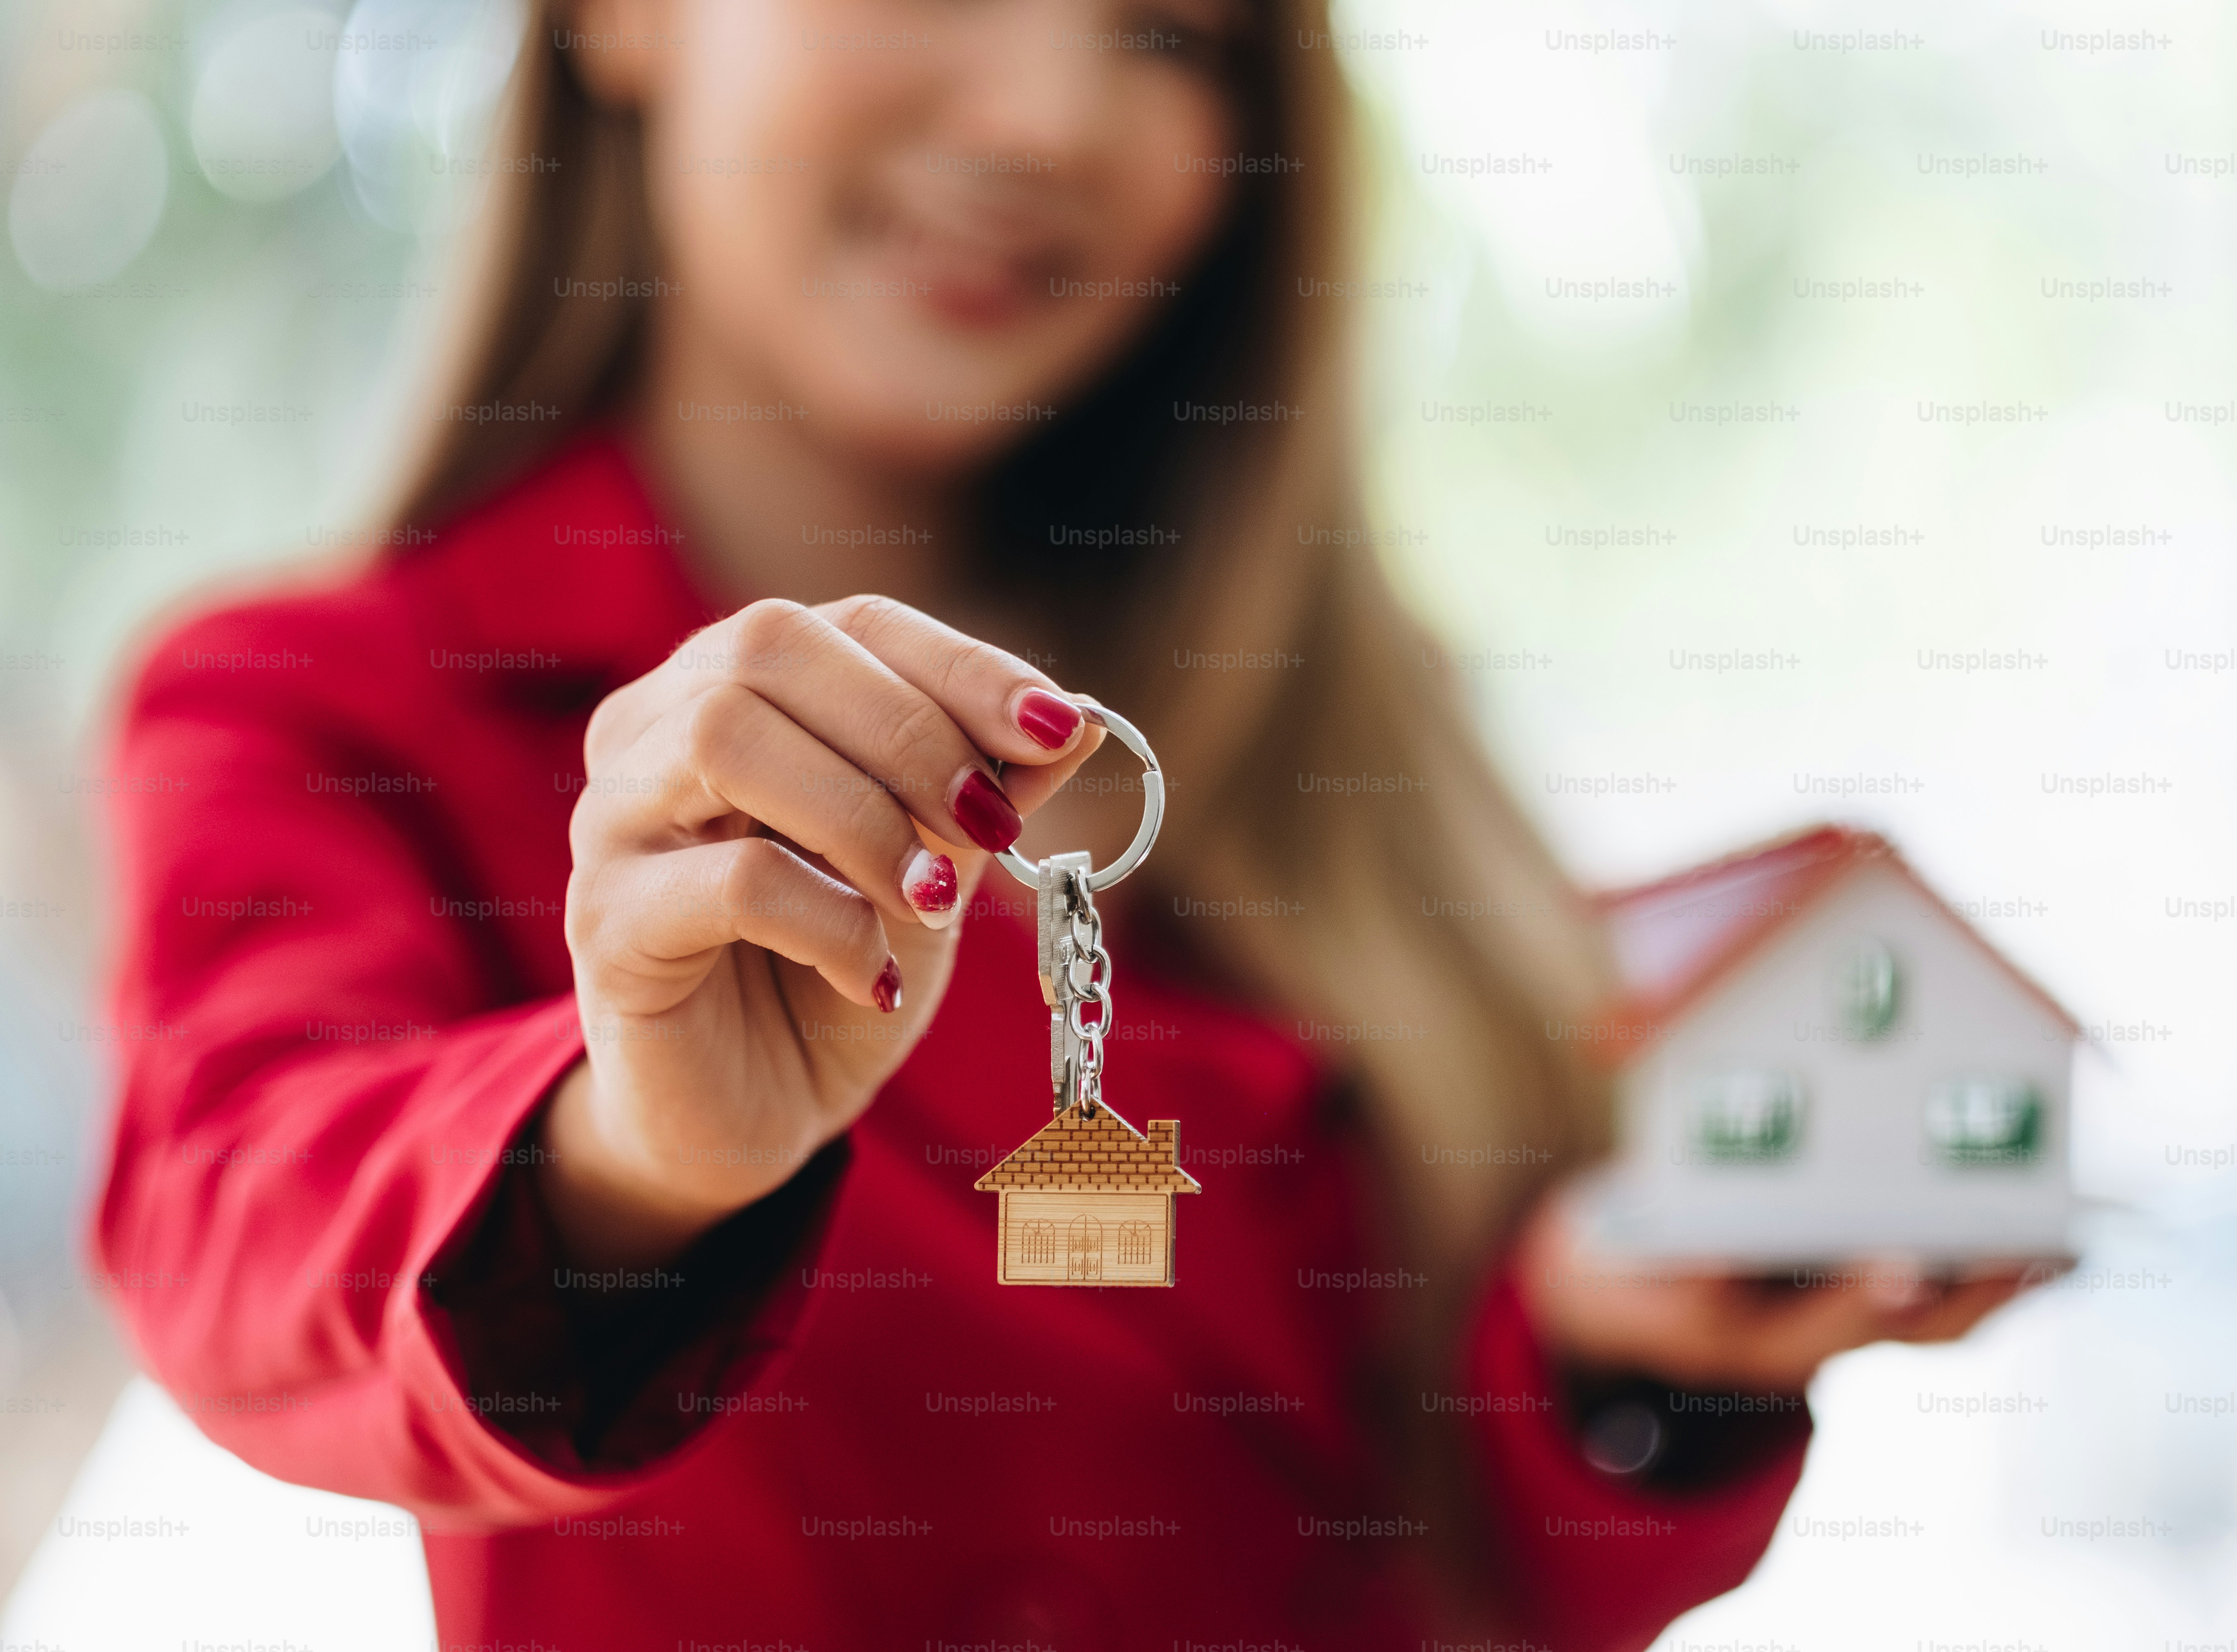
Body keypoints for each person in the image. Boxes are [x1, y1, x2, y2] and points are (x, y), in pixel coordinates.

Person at [93, 1, 2027, 1646]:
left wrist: (1621, 1366)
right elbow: (234, 1227)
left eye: (1172, 32)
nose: (1048, 119)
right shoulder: (320, 703)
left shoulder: (1352, 739)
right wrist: (627, 1150)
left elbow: (1445, 1551)